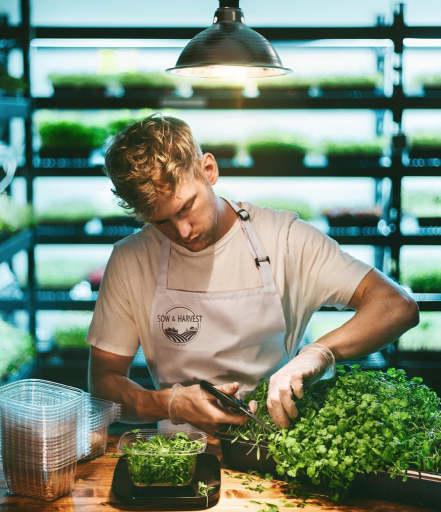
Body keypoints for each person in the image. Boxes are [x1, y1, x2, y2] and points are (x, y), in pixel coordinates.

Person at [87, 113, 419, 433]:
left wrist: (319, 353)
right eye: (160, 222)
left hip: (278, 448)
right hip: (182, 455)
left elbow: (397, 305)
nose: (183, 231)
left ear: (209, 170)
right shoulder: (132, 259)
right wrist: (169, 403)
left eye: (186, 207)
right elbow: (104, 387)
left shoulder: (284, 238)